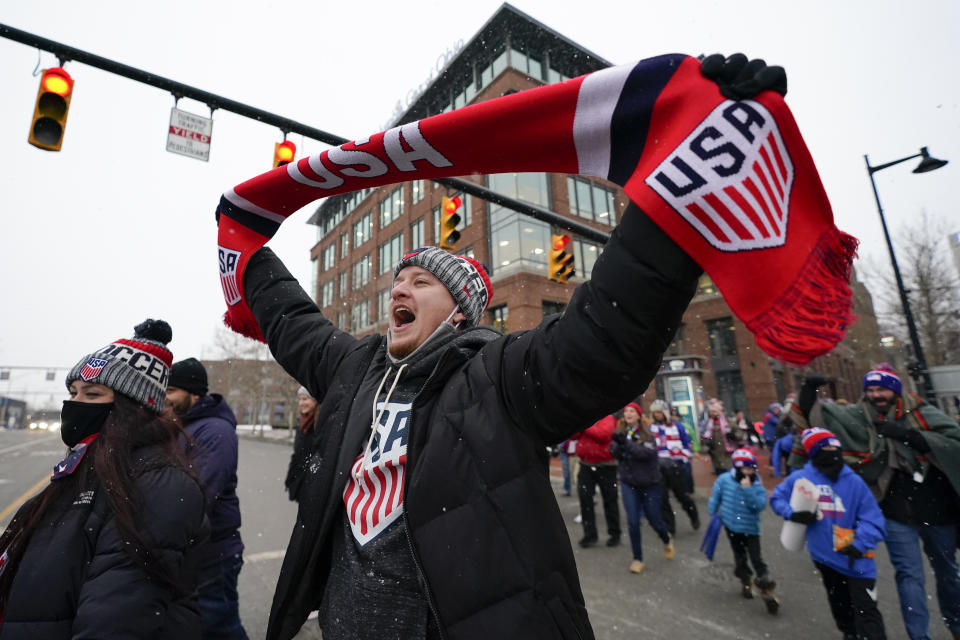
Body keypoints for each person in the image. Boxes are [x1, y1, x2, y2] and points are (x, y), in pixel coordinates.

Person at [232, 56, 788, 640]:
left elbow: (602, 338)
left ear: (460, 310)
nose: (400, 287)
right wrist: (246, 239)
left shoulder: (497, 375)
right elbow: (293, 319)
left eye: (421, 282)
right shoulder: (356, 368)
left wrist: (688, 172)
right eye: (399, 281)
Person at [0, 320, 208, 639]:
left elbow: (114, 620)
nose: (74, 403)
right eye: (73, 392)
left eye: (92, 393)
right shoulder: (86, 467)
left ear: (133, 407)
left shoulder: (157, 483)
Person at [789, 366, 960, 640]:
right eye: (870, 390)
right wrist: (810, 390)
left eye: (882, 389)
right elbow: (819, 419)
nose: (876, 395)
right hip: (894, 508)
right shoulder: (859, 417)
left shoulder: (920, 412)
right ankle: (920, 636)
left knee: (948, 572)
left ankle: (956, 623)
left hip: (936, 508)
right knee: (909, 575)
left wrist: (911, 436)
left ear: (895, 389)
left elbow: (953, 441)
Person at [772, 428, 886, 639]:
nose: (832, 452)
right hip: (825, 559)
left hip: (858, 561)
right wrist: (792, 514)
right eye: (825, 447)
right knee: (841, 609)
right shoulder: (801, 478)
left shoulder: (854, 482)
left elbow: (874, 518)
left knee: (867, 614)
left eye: (835, 447)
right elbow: (777, 498)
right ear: (814, 452)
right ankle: (849, 634)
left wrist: (860, 543)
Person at [166, 358, 248, 640]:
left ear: (194, 394)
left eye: (171, 391)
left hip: (214, 553)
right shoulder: (184, 425)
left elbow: (198, 494)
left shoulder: (214, 430)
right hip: (196, 551)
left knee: (220, 628)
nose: (165, 398)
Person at [708, 448, 778, 613]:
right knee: (739, 557)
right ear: (738, 468)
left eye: (752, 469)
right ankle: (746, 580)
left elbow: (759, 506)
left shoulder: (756, 484)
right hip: (731, 526)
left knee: (756, 559)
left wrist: (748, 490)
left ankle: (767, 589)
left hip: (751, 529)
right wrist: (712, 510)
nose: (750, 472)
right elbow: (716, 495)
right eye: (746, 469)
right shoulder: (725, 479)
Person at [610, 404, 673, 574]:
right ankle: (637, 558)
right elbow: (615, 454)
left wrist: (626, 443)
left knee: (654, 519)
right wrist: (616, 445)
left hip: (649, 483)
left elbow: (645, 454)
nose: (628, 413)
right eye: (626, 411)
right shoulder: (622, 431)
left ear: (638, 415)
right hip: (628, 483)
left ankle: (666, 538)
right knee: (632, 522)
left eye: (632, 411)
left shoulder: (648, 433)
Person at [648, 399, 699, 534]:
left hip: (675, 466)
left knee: (682, 496)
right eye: (655, 413)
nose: (657, 415)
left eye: (659, 412)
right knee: (663, 498)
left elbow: (687, 443)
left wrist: (682, 458)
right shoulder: (651, 428)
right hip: (659, 467)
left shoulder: (677, 426)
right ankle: (670, 527)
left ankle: (693, 514)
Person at [574, 414, 622, 548]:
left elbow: (603, 435)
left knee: (610, 500)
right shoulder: (588, 419)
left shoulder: (607, 417)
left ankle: (614, 533)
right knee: (585, 500)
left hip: (606, 466)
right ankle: (589, 535)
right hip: (586, 465)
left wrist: (584, 424)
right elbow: (573, 435)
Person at [285, 386, 319, 502]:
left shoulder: (320, 424)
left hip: (314, 484)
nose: (301, 403)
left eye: (305, 399)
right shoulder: (302, 423)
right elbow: (297, 454)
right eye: (299, 399)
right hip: (300, 481)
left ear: (314, 400)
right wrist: (290, 478)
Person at [701, 398, 736, 475]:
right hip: (716, 455)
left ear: (719, 411)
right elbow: (704, 437)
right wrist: (708, 441)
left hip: (728, 454)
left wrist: (732, 434)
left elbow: (738, 434)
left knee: (730, 474)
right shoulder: (709, 423)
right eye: (711, 411)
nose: (712, 413)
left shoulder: (728, 421)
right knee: (720, 476)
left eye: (714, 411)